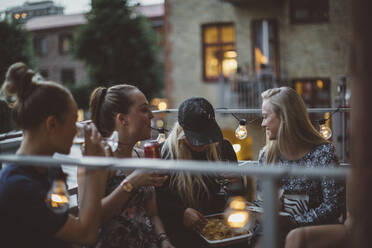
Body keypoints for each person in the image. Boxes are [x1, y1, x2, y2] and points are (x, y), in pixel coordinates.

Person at [0, 62, 109, 248]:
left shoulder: (52, 169)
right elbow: (85, 235)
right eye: (73, 122)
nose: (76, 131)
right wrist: (96, 166)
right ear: (51, 124)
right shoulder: (18, 185)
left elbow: (67, 222)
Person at [78, 84, 174, 248]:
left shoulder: (142, 156)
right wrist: (132, 182)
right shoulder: (97, 160)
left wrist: (164, 240)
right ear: (122, 119)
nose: (152, 115)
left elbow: (153, 214)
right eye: (144, 110)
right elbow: (91, 218)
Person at [254, 87, 346, 247]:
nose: (262, 124)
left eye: (265, 117)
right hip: (277, 229)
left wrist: (293, 221)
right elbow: (262, 202)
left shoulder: (323, 153)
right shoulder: (266, 155)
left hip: (314, 230)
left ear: (285, 118)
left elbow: (333, 206)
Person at [156, 97, 241, 248]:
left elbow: (238, 192)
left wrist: (237, 186)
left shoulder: (224, 148)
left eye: (206, 136)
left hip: (221, 232)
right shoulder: (165, 154)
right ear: (181, 130)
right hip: (181, 231)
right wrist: (180, 213)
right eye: (197, 138)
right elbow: (157, 200)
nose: (203, 142)